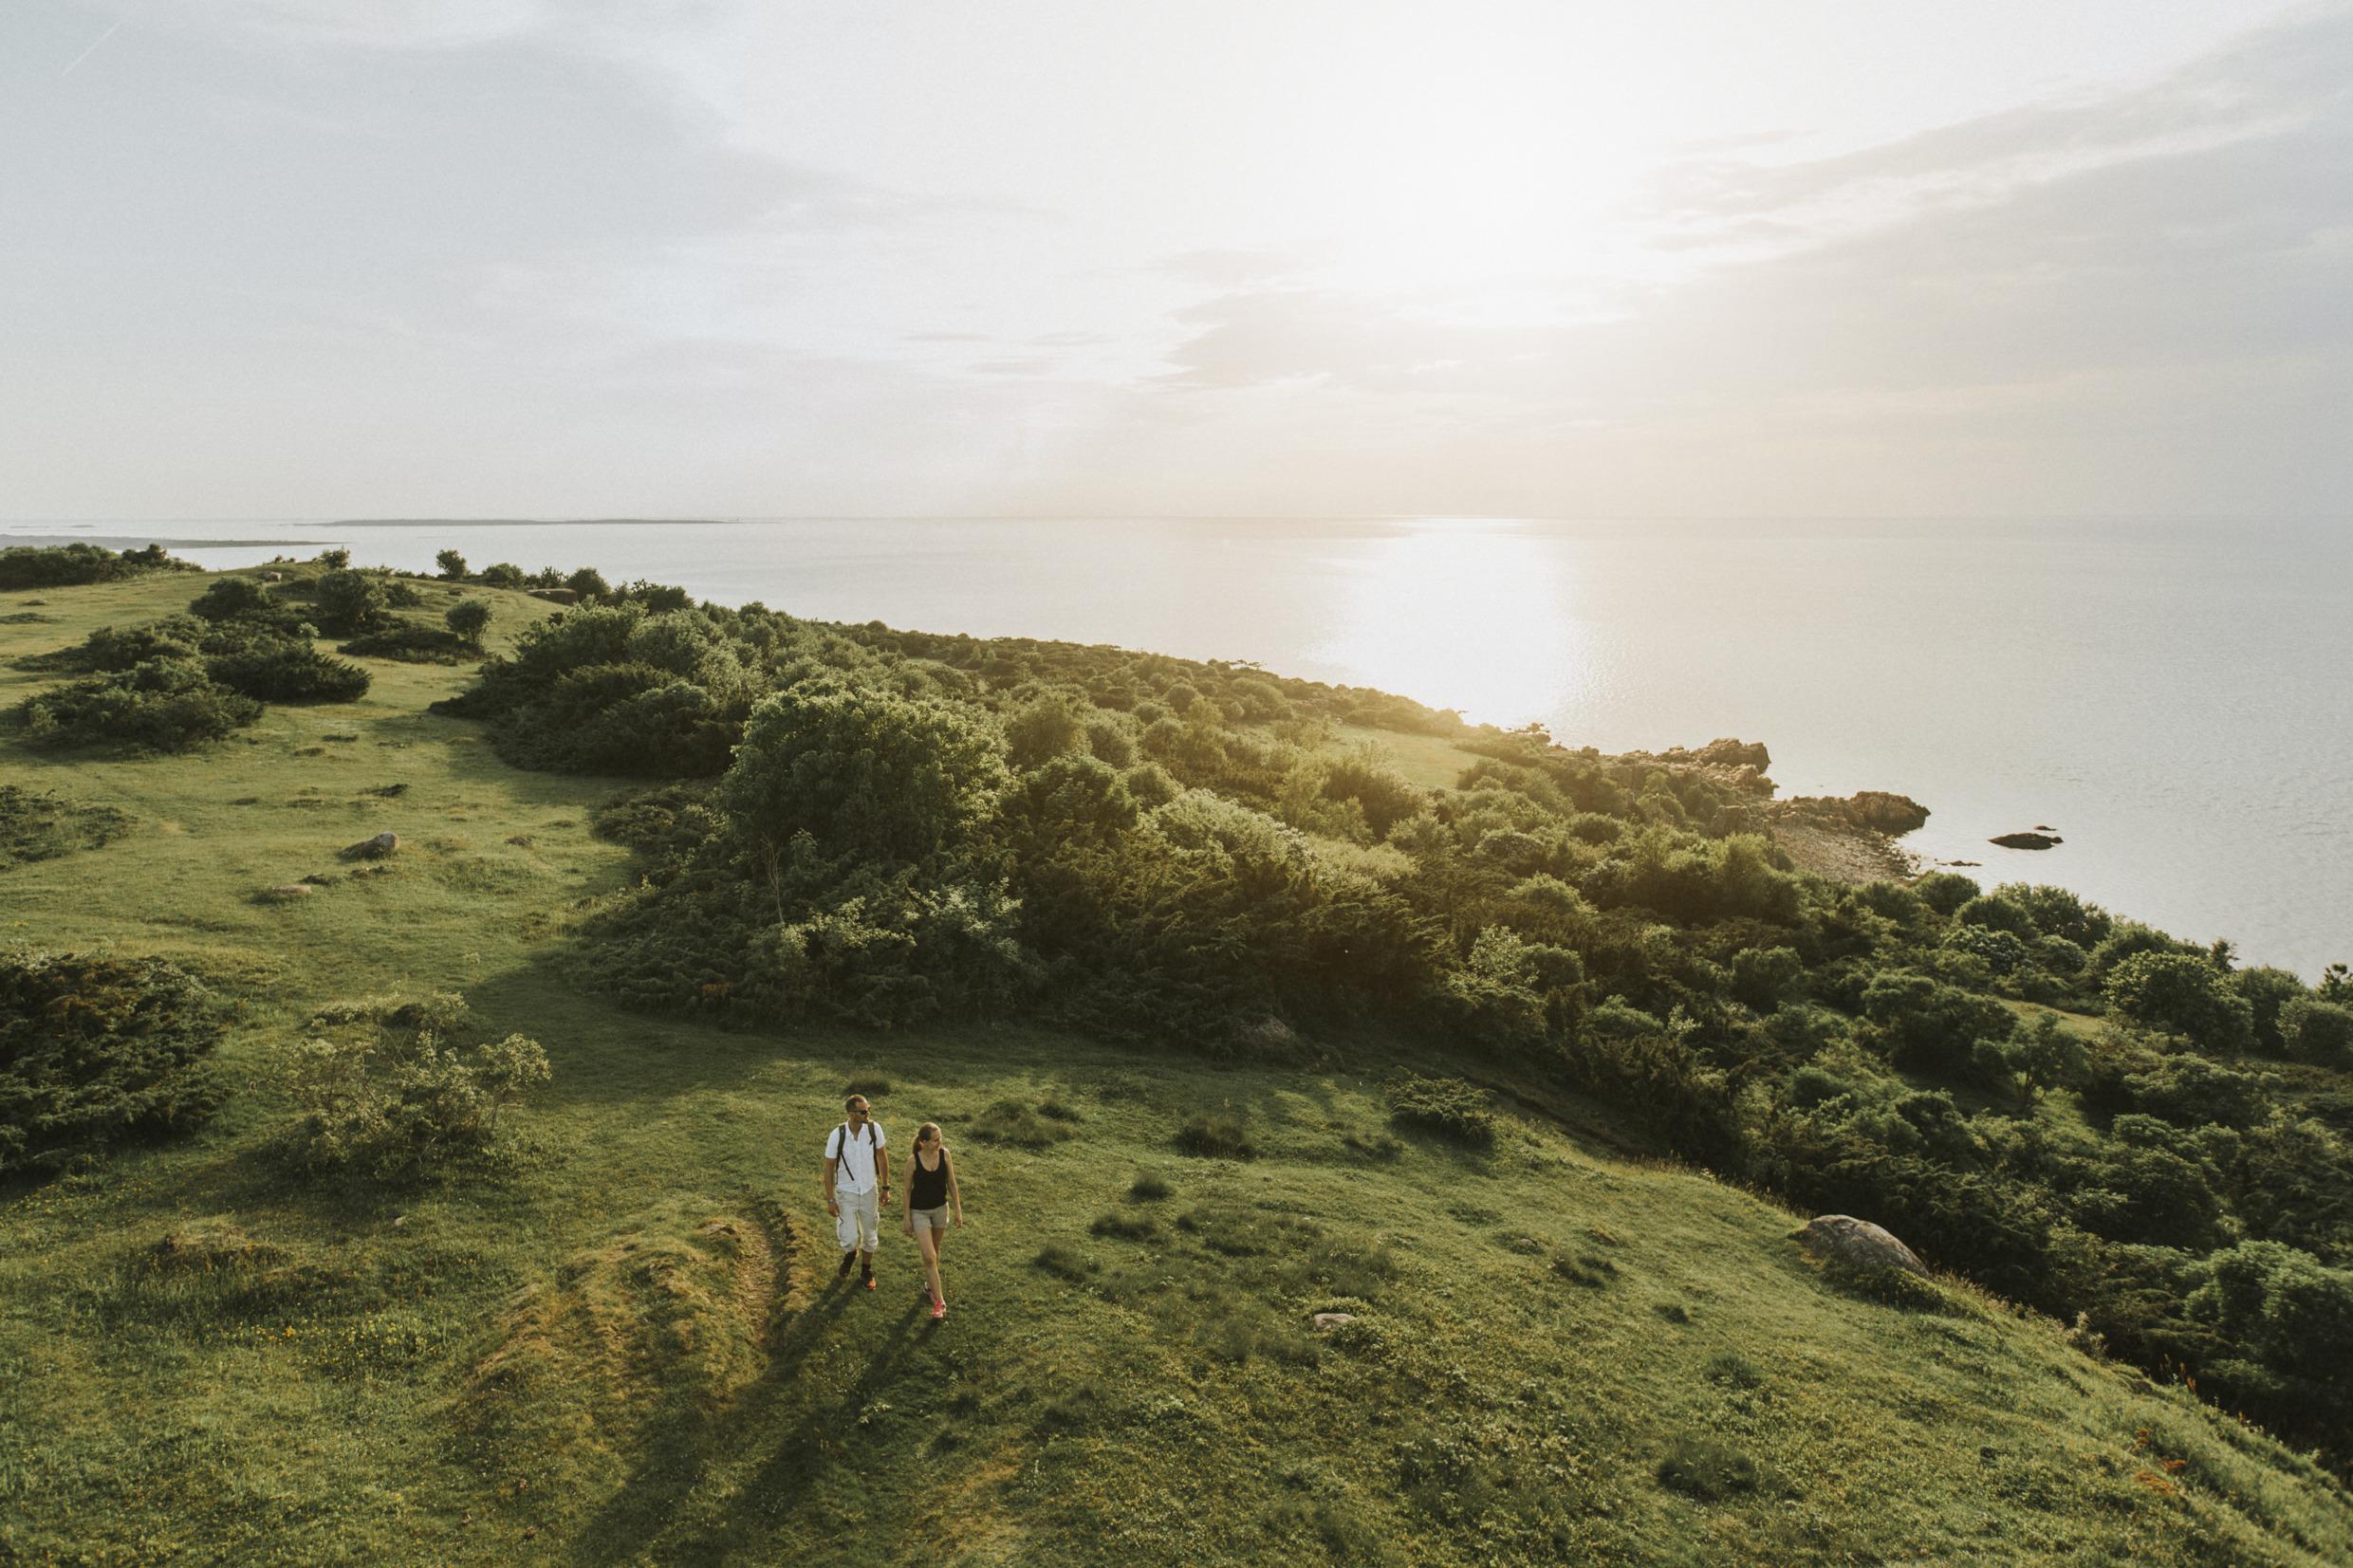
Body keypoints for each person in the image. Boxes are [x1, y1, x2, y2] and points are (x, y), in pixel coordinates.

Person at [822, 1094, 890, 1290]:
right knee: (850, 1238)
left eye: (868, 1109)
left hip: (869, 1190)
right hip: (846, 1193)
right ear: (851, 1114)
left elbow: (882, 1157)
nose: (867, 1113)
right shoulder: (837, 1135)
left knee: (870, 1235)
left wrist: (886, 1187)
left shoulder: (874, 1129)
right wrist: (830, 1199)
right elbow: (828, 1167)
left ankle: (866, 1271)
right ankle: (851, 1253)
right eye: (863, 1111)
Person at [899, 1121, 964, 1319]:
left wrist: (957, 1210)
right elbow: (906, 1190)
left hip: (939, 1209)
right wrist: (906, 1218)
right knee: (929, 1256)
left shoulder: (945, 1155)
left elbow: (951, 1183)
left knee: (935, 1251)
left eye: (940, 1138)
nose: (939, 1142)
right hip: (919, 1212)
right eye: (935, 1140)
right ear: (923, 1142)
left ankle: (930, 1285)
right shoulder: (913, 1160)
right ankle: (939, 1302)